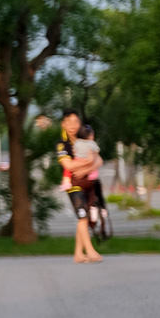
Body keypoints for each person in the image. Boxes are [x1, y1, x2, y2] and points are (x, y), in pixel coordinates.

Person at [57, 110, 103, 263]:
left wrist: (86, 168)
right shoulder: (62, 144)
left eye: (75, 122)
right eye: (69, 122)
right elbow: (68, 165)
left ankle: (78, 254)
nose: (72, 126)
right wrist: (90, 163)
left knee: (84, 217)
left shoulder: (84, 137)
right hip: (74, 184)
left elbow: (99, 160)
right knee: (82, 216)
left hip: (87, 182)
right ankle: (90, 251)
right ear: (63, 124)